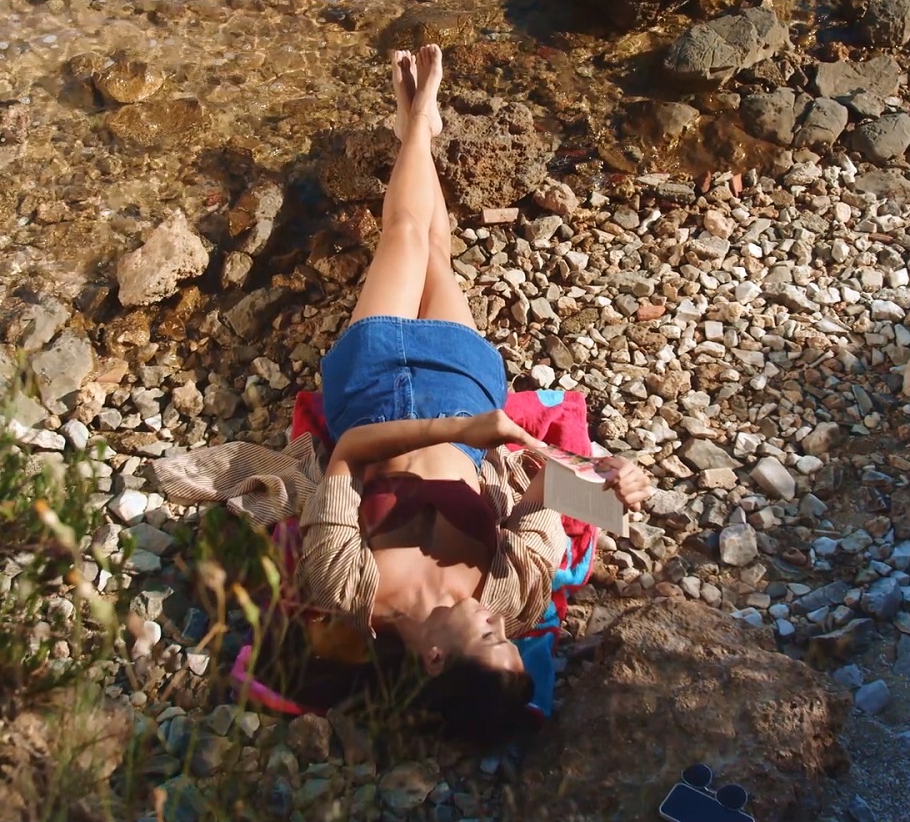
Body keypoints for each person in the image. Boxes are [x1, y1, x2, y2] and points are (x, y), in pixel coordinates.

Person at [152, 45, 653, 747]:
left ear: (435, 658)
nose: (504, 626)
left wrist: (460, 431)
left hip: (375, 388)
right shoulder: (510, 596)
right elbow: (547, 495)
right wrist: (616, 480)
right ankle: (413, 122)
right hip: (465, 387)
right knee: (438, 251)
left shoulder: (346, 590)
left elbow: (347, 454)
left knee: (406, 233)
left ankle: (417, 122)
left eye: (493, 639)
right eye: (511, 639)